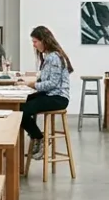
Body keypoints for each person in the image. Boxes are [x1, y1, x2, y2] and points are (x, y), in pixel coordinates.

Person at [17, 26, 73, 159]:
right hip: (50, 94)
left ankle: (39, 138)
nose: (34, 45)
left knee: (21, 111)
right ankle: (36, 137)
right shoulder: (49, 57)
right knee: (20, 103)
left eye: (35, 42)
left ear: (44, 41)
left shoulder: (54, 58)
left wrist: (33, 84)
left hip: (57, 97)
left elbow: (52, 84)